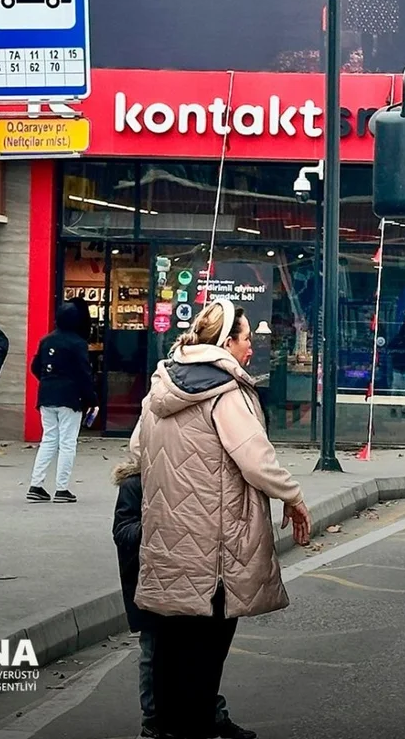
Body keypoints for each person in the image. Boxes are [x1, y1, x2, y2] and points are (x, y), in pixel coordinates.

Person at [130, 298, 312, 739]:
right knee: (209, 646)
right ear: (226, 343)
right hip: (215, 545)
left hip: (168, 539)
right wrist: (294, 496)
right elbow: (256, 460)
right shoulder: (227, 392)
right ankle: (198, 726)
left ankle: (167, 725)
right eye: (247, 339)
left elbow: (136, 452)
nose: (252, 347)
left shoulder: (161, 385)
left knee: (172, 642)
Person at [112, 455, 253, 739]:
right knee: (153, 653)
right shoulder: (135, 483)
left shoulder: (189, 482)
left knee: (199, 657)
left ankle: (209, 714)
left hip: (186, 581)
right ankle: (152, 719)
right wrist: (158, 524)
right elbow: (123, 531)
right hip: (148, 584)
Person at [28, 301, 97, 503]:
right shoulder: (78, 343)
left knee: (48, 440)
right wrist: (92, 398)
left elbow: (35, 366)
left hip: (46, 396)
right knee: (67, 443)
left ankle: (36, 484)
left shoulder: (46, 340)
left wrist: (49, 382)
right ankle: (61, 488)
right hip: (70, 398)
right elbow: (84, 374)